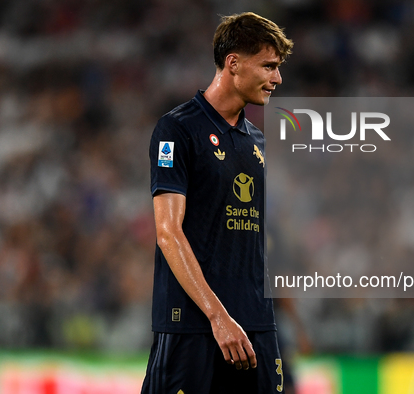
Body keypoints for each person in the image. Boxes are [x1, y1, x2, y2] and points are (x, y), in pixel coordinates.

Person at [141, 12, 293, 394]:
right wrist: (218, 316)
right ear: (233, 63)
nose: (277, 79)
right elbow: (168, 232)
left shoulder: (257, 141)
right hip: (193, 325)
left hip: (255, 325)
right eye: (269, 66)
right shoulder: (177, 130)